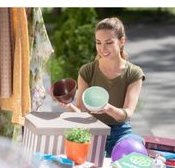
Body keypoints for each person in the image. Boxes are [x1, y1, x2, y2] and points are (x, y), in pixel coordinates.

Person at [60, 17, 145, 157]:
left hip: (121, 132)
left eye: (109, 43)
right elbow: (81, 110)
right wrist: (70, 108)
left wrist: (108, 108)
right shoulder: (87, 71)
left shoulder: (134, 73)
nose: (102, 49)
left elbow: (127, 114)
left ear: (122, 41)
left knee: (133, 152)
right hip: (92, 130)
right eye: (98, 43)